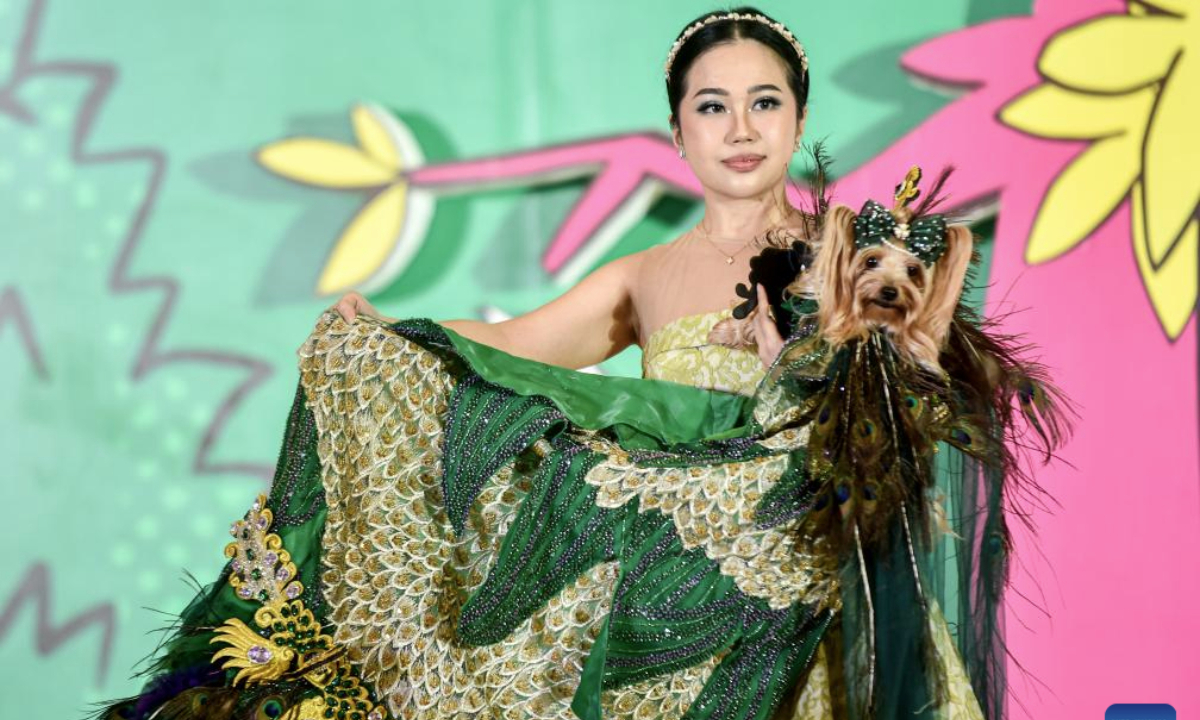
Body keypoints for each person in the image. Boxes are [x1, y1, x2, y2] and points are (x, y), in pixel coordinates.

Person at [102, 8, 1059, 720]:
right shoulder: (643, 272)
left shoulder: (852, 261)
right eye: (711, 106)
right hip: (682, 593)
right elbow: (511, 352)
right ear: (679, 132)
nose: (740, 128)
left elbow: (928, 399)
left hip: (822, 581)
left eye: (764, 102)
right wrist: (386, 331)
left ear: (798, 117)